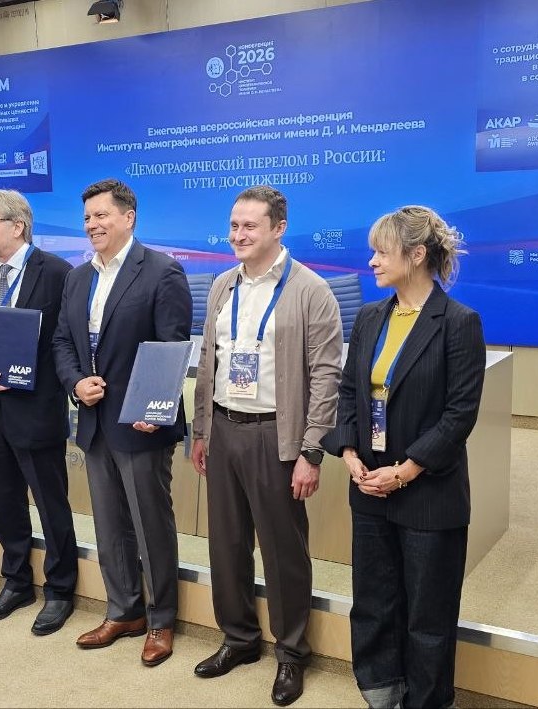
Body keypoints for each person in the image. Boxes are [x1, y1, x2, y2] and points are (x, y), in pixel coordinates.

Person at [321, 206, 485, 709]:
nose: (371, 261)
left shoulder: (458, 323)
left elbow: (459, 415)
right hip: (369, 484)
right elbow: (350, 392)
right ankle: (381, 692)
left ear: (416, 255)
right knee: (374, 601)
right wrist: (349, 451)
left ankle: (427, 700)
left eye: (381, 252)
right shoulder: (371, 317)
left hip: (427, 490)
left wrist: (406, 470)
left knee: (428, 613)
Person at [190, 186, 342, 707]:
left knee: (283, 552)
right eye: (234, 225)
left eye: (250, 226)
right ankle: (238, 638)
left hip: (277, 436)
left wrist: (311, 450)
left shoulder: (310, 290)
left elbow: (326, 377)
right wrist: (202, 431)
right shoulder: (222, 285)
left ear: (279, 228)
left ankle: (292, 653)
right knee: (226, 545)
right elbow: (208, 364)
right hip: (224, 428)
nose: (238, 235)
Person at [53, 178, 192, 666]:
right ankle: (124, 611)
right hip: (93, 420)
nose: (92, 224)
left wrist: (155, 407)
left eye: (101, 215)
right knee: (110, 525)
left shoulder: (161, 271)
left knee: (150, 524)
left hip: (140, 424)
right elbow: (62, 342)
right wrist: (75, 383)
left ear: (128, 218)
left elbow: (171, 345)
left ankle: (161, 619)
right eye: (87, 217)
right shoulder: (77, 278)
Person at [0, 189, 78, 635]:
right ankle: (17, 581)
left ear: (18, 226)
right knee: (5, 504)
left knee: (51, 505)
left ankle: (60, 589)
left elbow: (66, 342)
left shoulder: (58, 273)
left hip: (36, 410)